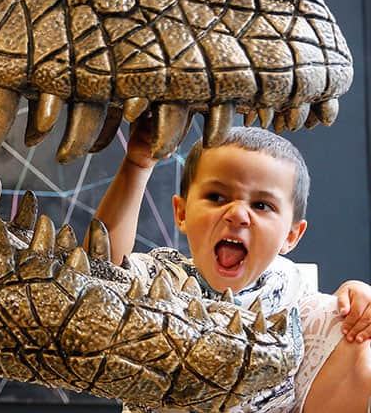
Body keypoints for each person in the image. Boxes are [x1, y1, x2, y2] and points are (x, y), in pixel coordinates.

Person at [93, 120, 371, 412]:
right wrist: (137, 166)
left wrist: (358, 302)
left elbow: (344, 326)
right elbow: (99, 271)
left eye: (262, 205)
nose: (238, 214)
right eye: (216, 197)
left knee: (356, 335)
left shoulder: (296, 301)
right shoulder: (159, 280)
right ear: (182, 212)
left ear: (291, 235)